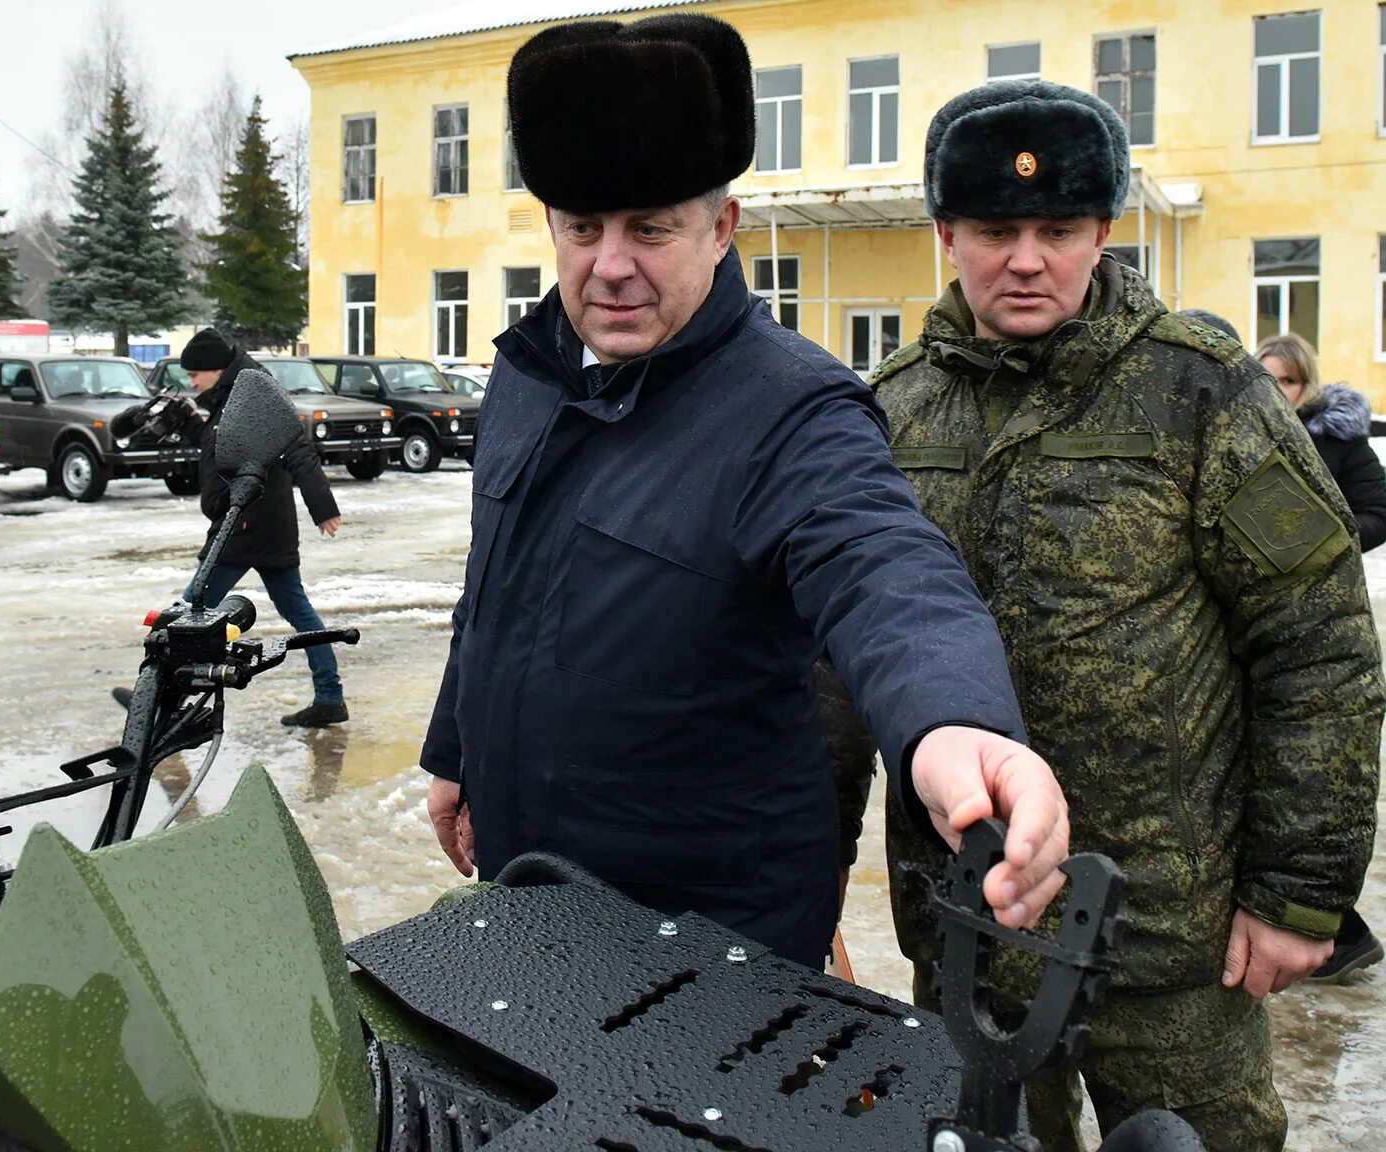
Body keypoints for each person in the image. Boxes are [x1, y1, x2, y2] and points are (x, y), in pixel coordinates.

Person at [418, 13, 1073, 976]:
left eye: (651, 228)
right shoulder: (529, 374)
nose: (610, 265)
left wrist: (953, 723)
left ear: (722, 228)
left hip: (711, 939)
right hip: (533, 896)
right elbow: (497, 587)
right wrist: (455, 746)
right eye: (582, 227)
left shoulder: (789, 407)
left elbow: (883, 569)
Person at [838, 79, 1383, 1151]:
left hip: (1169, 946)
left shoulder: (1199, 392)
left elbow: (1318, 649)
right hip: (969, 934)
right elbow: (829, 671)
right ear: (947, 233)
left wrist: (1298, 894)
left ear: (1105, 231)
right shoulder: (892, 410)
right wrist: (806, 887)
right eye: (996, 230)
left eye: (1060, 229)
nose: (1027, 258)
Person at [1254, 331, 1386, 982]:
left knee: (1307, 784)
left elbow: (1379, 511)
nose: (1275, 391)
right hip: (1257, 617)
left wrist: (1322, 542)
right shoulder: (1244, 429)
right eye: (1265, 379)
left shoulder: (1337, 442)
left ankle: (1343, 932)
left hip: (1319, 613)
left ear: (1305, 385)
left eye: (1285, 382)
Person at [180, 328, 349, 727]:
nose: (192, 382)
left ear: (215, 368)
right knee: (300, 613)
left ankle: (166, 702)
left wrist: (322, 507)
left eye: (195, 374)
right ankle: (330, 696)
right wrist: (191, 426)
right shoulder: (232, 393)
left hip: (246, 523)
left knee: (192, 610)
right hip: (258, 522)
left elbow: (297, 449)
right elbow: (223, 448)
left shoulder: (255, 392)